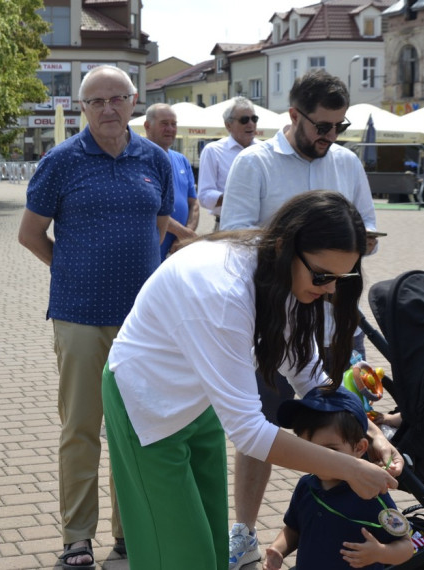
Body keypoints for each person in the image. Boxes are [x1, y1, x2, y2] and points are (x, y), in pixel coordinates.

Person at [103, 190, 402, 569]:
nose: (329, 289)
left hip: (200, 398)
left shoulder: (283, 272)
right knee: (178, 557)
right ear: (286, 247)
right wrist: (347, 467)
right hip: (147, 405)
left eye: (340, 278)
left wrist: (370, 432)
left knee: (210, 550)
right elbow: (249, 432)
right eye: (324, 275)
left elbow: (310, 375)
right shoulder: (224, 293)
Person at [220, 70, 378, 570]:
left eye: (339, 126)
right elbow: (234, 238)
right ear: (294, 115)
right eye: (322, 126)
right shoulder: (255, 162)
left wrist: (354, 245)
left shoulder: (347, 162)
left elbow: (365, 228)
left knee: (345, 420)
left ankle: (357, 523)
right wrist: (297, 250)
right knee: (261, 426)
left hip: (334, 321)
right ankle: (244, 531)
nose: (330, 137)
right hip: (271, 323)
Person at [18, 65, 173, 568]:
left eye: (117, 98)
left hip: (143, 325)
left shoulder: (156, 159)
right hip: (80, 317)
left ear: (134, 101)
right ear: (83, 109)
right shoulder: (61, 162)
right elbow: (31, 234)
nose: (108, 109)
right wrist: (71, 268)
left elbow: (160, 222)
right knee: (82, 429)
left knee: (134, 430)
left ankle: (129, 532)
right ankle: (77, 536)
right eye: (95, 102)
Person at [263, 387, 413, 570]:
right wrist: (278, 550)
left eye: (332, 450)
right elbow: (294, 528)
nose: (320, 460)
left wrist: (380, 552)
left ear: (359, 448)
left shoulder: (371, 493)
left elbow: (406, 547)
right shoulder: (306, 485)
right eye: (309, 450)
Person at [143, 103, 199, 257]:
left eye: (174, 124)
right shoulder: (139, 160)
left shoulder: (181, 160)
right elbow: (149, 208)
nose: (170, 129)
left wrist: (186, 235)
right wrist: (184, 234)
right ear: (148, 126)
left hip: (179, 248)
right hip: (153, 252)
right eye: (164, 124)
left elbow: (193, 203)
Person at [197, 97, 258, 230]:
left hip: (261, 226)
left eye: (254, 119)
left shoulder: (265, 150)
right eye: (244, 120)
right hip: (227, 226)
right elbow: (204, 196)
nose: (251, 124)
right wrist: (236, 196)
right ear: (228, 125)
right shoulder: (213, 151)